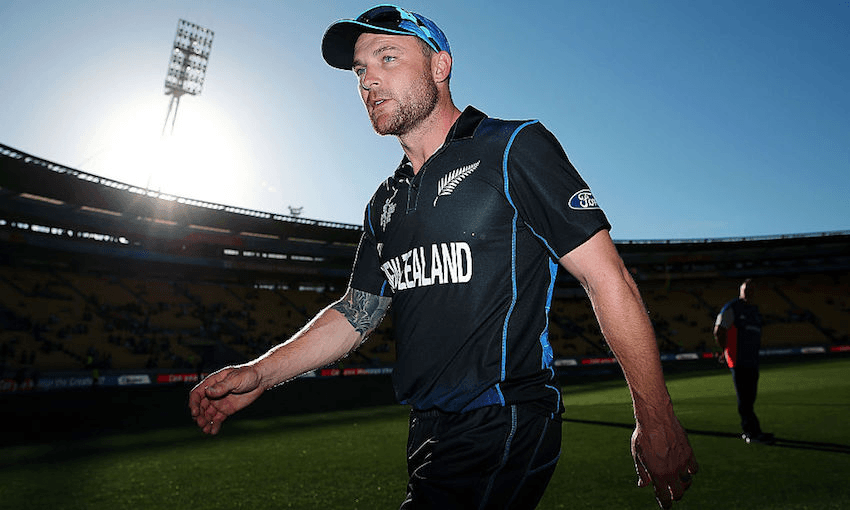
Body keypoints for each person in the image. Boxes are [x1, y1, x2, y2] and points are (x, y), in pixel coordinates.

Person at [189, 5, 698, 509]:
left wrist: (656, 418)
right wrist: (261, 373)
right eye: (360, 70)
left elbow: (607, 279)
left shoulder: (512, 147)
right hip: (427, 429)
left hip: (503, 418)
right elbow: (355, 314)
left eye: (388, 57)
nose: (368, 81)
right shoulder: (384, 203)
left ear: (440, 66)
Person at [714, 278, 773, 444]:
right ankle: (751, 433)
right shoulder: (732, 308)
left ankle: (755, 431)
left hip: (752, 361)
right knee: (745, 400)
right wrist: (724, 350)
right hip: (738, 361)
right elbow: (719, 330)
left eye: (751, 289)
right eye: (745, 289)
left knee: (750, 399)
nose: (748, 293)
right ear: (740, 291)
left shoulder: (755, 311)